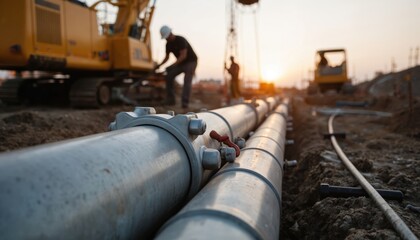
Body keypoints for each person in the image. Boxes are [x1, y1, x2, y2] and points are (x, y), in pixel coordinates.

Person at [156, 25, 198, 108]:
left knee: (187, 81)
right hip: (181, 63)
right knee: (169, 76)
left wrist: (172, 66)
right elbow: (167, 57)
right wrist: (159, 65)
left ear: (170, 34)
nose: (166, 39)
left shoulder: (181, 40)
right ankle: (171, 100)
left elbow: (183, 56)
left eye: (167, 37)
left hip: (191, 62)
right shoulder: (168, 44)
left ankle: (185, 103)